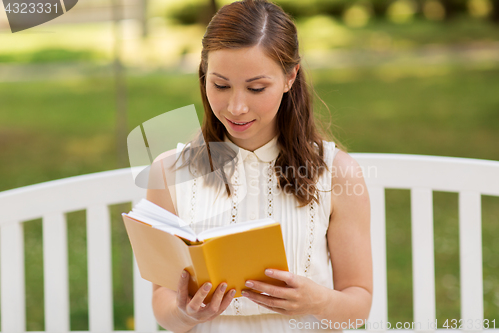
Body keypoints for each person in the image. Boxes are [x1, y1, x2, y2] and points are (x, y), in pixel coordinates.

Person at [146, 0, 372, 332]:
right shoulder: (169, 173)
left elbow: (358, 305)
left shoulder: (337, 173)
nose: (236, 107)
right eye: (220, 85)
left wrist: (319, 302)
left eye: (256, 88)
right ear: (204, 75)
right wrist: (186, 313)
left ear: (289, 76)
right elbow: (162, 300)